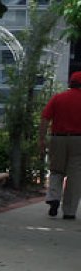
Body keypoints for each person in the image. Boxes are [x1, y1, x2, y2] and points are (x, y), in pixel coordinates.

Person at [38, 71, 81, 219]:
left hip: (58, 138)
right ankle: (69, 212)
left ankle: (54, 198)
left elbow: (45, 119)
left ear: (70, 83)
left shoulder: (58, 98)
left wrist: (41, 139)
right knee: (75, 176)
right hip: (79, 141)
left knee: (56, 170)